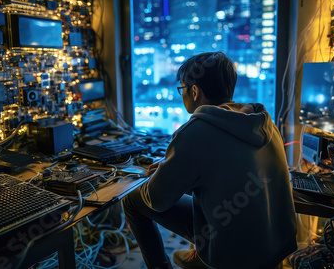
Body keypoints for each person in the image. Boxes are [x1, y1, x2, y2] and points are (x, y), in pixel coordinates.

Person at [122, 52, 297, 269]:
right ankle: (199, 255)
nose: (182, 94)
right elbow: (226, 178)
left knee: (132, 200)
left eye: (182, 88)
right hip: (276, 244)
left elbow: (157, 200)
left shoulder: (194, 132)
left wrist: (163, 176)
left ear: (194, 91)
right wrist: (174, 170)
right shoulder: (263, 122)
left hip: (230, 253)